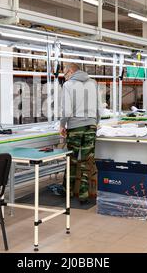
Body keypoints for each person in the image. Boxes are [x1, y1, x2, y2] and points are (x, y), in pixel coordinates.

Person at [59, 63, 103, 203]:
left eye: (65, 74)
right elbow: (99, 107)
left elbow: (66, 109)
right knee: (87, 160)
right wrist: (95, 122)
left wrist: (62, 124)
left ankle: (68, 192)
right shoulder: (93, 83)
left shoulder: (68, 85)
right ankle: (83, 194)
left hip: (75, 127)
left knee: (71, 160)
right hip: (90, 126)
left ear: (71, 71)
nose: (65, 77)